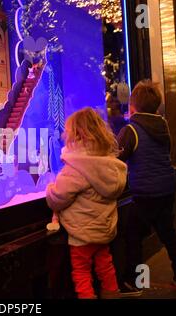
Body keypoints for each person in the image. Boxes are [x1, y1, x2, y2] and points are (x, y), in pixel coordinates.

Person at [117, 80, 176, 295]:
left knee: (133, 236)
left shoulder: (131, 129)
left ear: (133, 106)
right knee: (168, 234)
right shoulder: (163, 126)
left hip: (145, 193)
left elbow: (117, 158)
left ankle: (135, 283)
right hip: (167, 188)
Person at [46, 107, 127, 299]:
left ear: (75, 135)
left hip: (81, 235)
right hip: (104, 231)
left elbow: (57, 199)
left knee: (81, 274)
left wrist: (50, 187)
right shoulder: (109, 163)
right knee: (106, 267)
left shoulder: (76, 167)